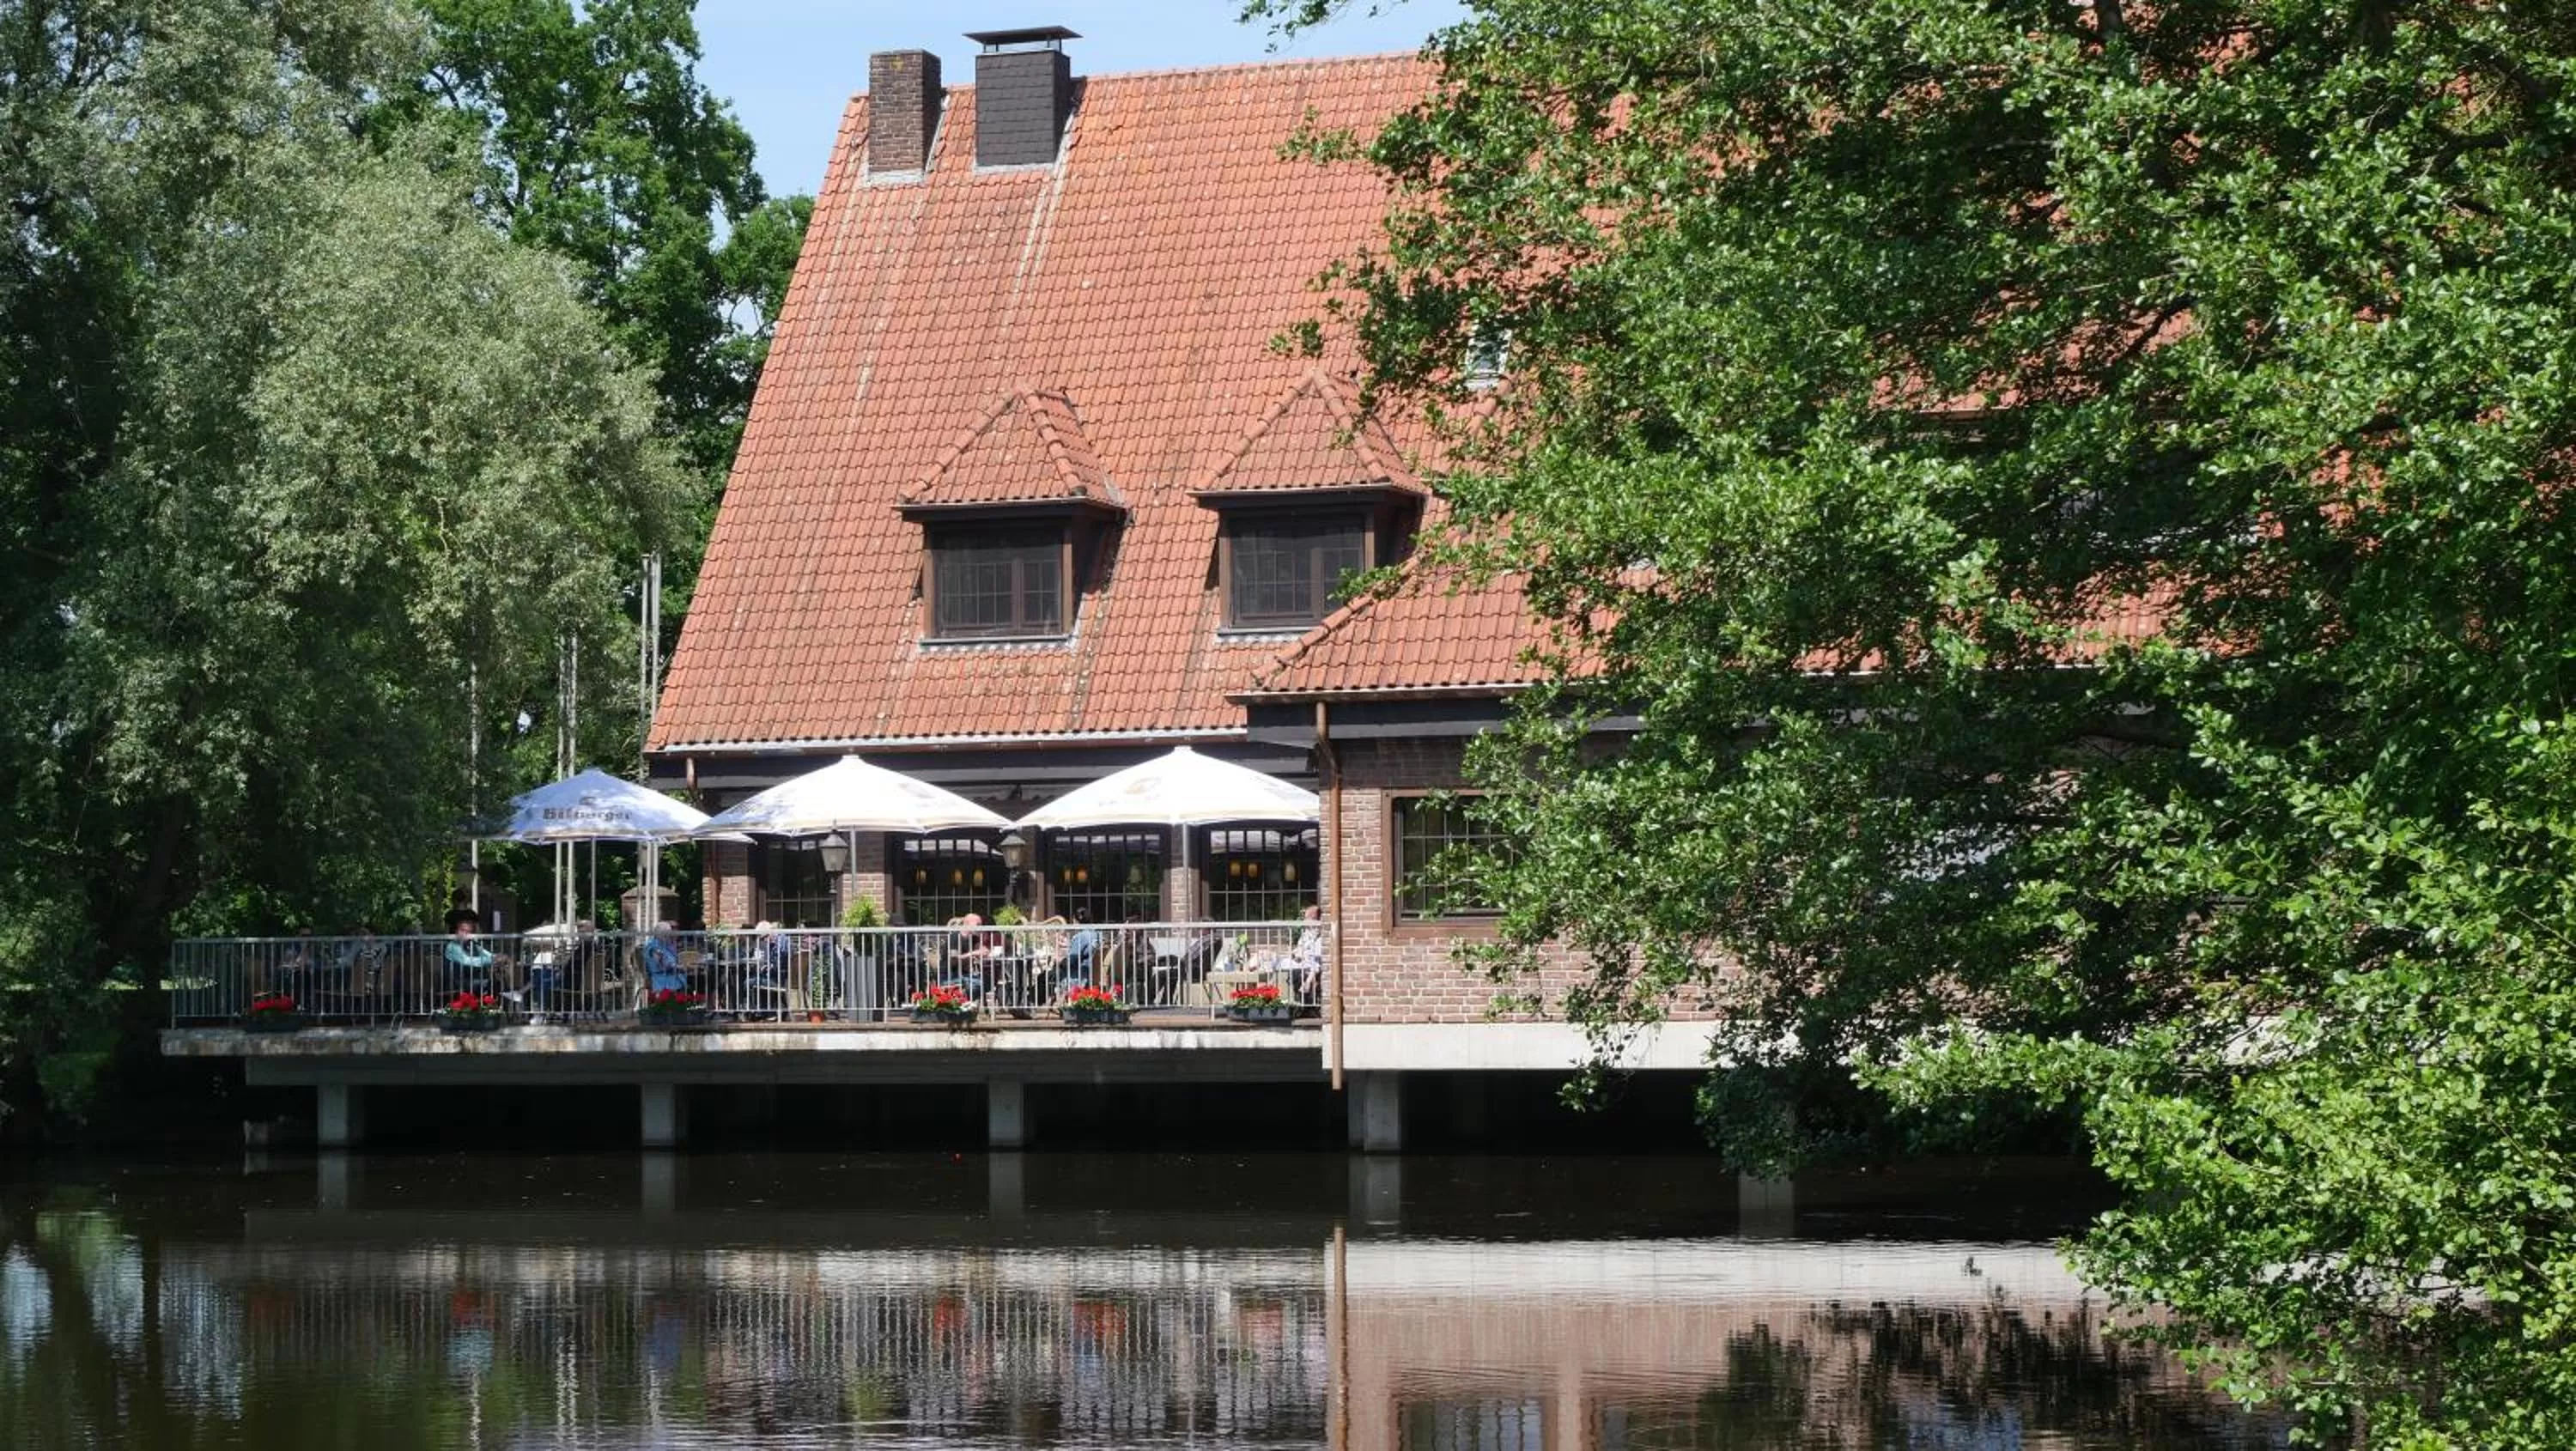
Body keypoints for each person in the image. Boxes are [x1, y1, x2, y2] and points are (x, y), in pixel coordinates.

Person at [444, 919, 499, 998]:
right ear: (456, 931)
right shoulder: (452, 946)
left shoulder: (472, 945)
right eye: (462, 930)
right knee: (489, 983)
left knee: (494, 982)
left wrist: (499, 957)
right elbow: (467, 960)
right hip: (456, 983)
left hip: (470, 981)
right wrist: (492, 960)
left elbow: (487, 954)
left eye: (469, 931)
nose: (465, 934)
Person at [641, 923, 685, 994]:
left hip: (670, 978)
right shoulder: (654, 947)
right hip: (664, 981)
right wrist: (678, 967)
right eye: (667, 934)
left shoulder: (662, 944)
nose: (669, 936)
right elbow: (662, 964)